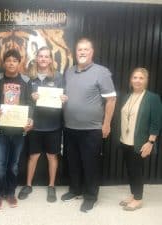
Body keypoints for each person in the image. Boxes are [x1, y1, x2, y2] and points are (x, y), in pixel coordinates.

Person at [61, 38, 116, 212]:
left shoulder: (102, 72)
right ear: (75, 53)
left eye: (86, 49)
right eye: (79, 50)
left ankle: (90, 196)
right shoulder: (69, 72)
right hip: (69, 127)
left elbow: (111, 99)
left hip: (91, 129)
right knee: (73, 162)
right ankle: (76, 189)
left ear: (92, 52)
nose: (82, 52)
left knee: (90, 164)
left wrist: (106, 124)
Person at [18, 46, 67, 202]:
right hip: (35, 125)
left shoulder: (58, 77)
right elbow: (24, 101)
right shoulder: (28, 78)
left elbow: (64, 98)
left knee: (52, 157)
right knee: (33, 157)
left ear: (51, 60)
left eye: (47, 56)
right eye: (41, 56)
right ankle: (28, 185)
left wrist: (64, 99)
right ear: (36, 58)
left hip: (53, 125)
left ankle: (51, 186)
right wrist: (30, 97)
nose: (44, 59)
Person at [0, 49, 33, 210]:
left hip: (19, 131)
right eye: (8, 60)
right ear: (4, 62)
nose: (11, 63)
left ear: (19, 62)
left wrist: (30, 119)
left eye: (15, 60)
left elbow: (30, 104)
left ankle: (11, 192)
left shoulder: (27, 81)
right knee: (0, 165)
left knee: (13, 165)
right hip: (0, 131)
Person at [119, 67, 161, 211]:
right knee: (130, 170)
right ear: (131, 80)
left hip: (140, 143)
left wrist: (150, 142)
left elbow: (156, 122)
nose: (137, 80)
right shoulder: (127, 96)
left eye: (141, 78)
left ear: (146, 81)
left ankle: (138, 199)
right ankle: (133, 194)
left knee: (136, 171)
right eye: (135, 77)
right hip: (125, 141)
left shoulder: (152, 98)